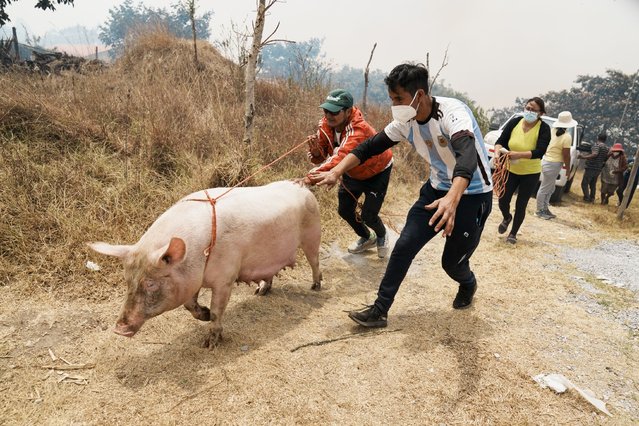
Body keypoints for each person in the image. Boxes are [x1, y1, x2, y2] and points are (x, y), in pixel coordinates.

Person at [310, 63, 493, 328]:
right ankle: (379, 310)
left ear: (419, 95)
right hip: (436, 190)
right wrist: (337, 171)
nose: (394, 104)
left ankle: (468, 283)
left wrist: (453, 199)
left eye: (399, 98)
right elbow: (369, 147)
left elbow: (466, 156)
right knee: (404, 246)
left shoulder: (453, 113)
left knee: (451, 263)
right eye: (391, 98)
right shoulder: (405, 121)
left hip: (472, 195)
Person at [304, 89, 393, 258]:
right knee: (344, 210)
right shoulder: (325, 125)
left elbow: (342, 156)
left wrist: (307, 179)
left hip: (377, 171)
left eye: (334, 112)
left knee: (369, 215)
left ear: (347, 111)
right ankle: (368, 237)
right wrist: (316, 152)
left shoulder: (359, 130)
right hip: (351, 172)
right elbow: (322, 157)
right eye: (326, 111)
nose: (329, 116)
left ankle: (382, 234)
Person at [494, 97, 551, 244]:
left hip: (530, 173)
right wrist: (496, 153)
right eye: (528, 108)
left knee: (521, 204)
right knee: (503, 199)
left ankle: (513, 233)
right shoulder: (514, 122)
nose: (529, 111)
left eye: (533, 109)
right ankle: (507, 217)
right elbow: (500, 141)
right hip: (510, 169)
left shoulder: (544, 128)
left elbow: (540, 151)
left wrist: (519, 154)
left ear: (541, 113)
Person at [535, 111, 577, 219]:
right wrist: (567, 169)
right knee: (545, 188)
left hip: (548, 162)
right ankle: (539, 210)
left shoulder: (552, 131)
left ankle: (544, 208)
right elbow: (566, 155)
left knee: (550, 188)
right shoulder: (567, 136)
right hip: (553, 164)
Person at [578, 133, 610, 202]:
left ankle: (587, 198)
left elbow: (594, 154)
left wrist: (583, 157)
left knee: (584, 183)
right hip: (598, 168)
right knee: (593, 184)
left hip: (591, 167)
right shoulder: (606, 148)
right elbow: (606, 157)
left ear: (598, 137)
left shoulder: (597, 145)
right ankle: (592, 198)